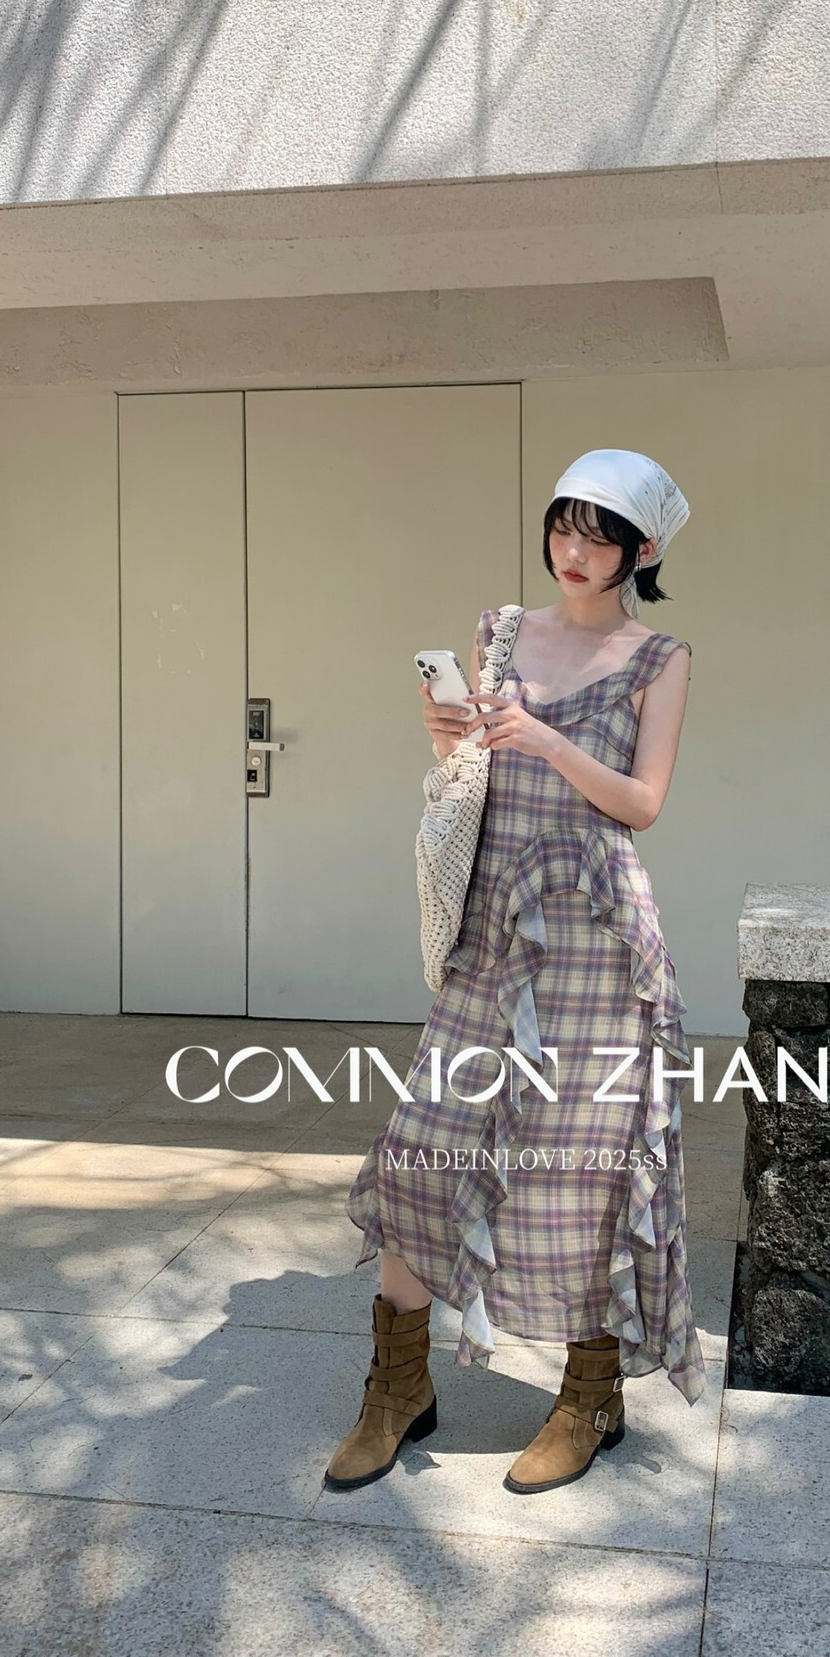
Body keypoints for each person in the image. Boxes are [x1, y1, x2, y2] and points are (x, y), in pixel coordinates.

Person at [325, 449, 705, 1498]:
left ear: (642, 550)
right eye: (562, 527)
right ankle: (396, 1388)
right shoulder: (500, 631)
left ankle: (590, 1397)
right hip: (494, 923)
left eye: (598, 536)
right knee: (422, 1150)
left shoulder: (659, 656)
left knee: (586, 1170)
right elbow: (471, 770)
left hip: (595, 933)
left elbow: (642, 803)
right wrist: (448, 733)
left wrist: (541, 738)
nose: (572, 552)